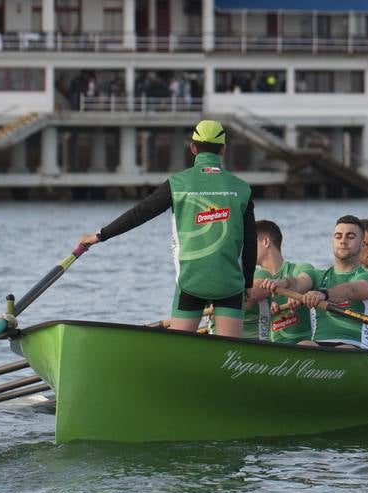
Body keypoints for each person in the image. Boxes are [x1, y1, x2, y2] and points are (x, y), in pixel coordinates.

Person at [76, 119, 256, 337]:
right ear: (224, 149)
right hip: (229, 284)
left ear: (193, 148)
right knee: (229, 356)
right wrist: (247, 283)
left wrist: (99, 236)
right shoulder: (241, 188)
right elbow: (250, 241)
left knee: (179, 350)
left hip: (191, 282)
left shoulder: (177, 184)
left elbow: (139, 214)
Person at [297, 215, 368, 349]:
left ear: (362, 244)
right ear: (333, 241)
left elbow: (352, 290)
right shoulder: (317, 275)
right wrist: (280, 285)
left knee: (343, 350)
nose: (343, 241)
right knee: (303, 345)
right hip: (319, 344)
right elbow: (297, 283)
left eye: (350, 237)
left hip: (355, 346)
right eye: (338, 236)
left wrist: (324, 294)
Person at [244, 220, 315, 343]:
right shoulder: (252, 280)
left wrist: (298, 294)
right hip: (270, 346)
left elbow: (301, 281)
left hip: (303, 344)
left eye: (250, 242)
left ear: (266, 242)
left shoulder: (300, 269)